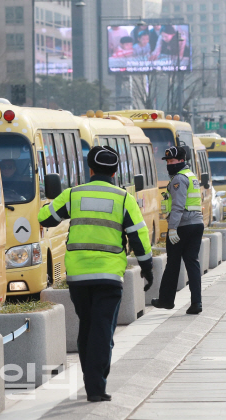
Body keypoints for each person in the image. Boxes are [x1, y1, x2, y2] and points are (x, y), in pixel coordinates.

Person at [38, 146, 153, 403]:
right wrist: (147, 268)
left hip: (79, 276)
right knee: (103, 329)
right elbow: (139, 237)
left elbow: (45, 218)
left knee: (88, 326)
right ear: (114, 171)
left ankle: (91, 377)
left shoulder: (73, 195)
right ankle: (96, 385)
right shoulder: (124, 199)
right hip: (109, 277)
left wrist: (57, 204)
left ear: (90, 169)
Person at [152, 146, 205, 315]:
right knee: (192, 263)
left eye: (172, 161)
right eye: (167, 161)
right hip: (196, 223)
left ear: (181, 161)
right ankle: (197, 302)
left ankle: (166, 300)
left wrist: (172, 228)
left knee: (173, 264)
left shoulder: (179, 179)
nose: (169, 164)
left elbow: (177, 206)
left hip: (183, 226)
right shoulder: (191, 176)